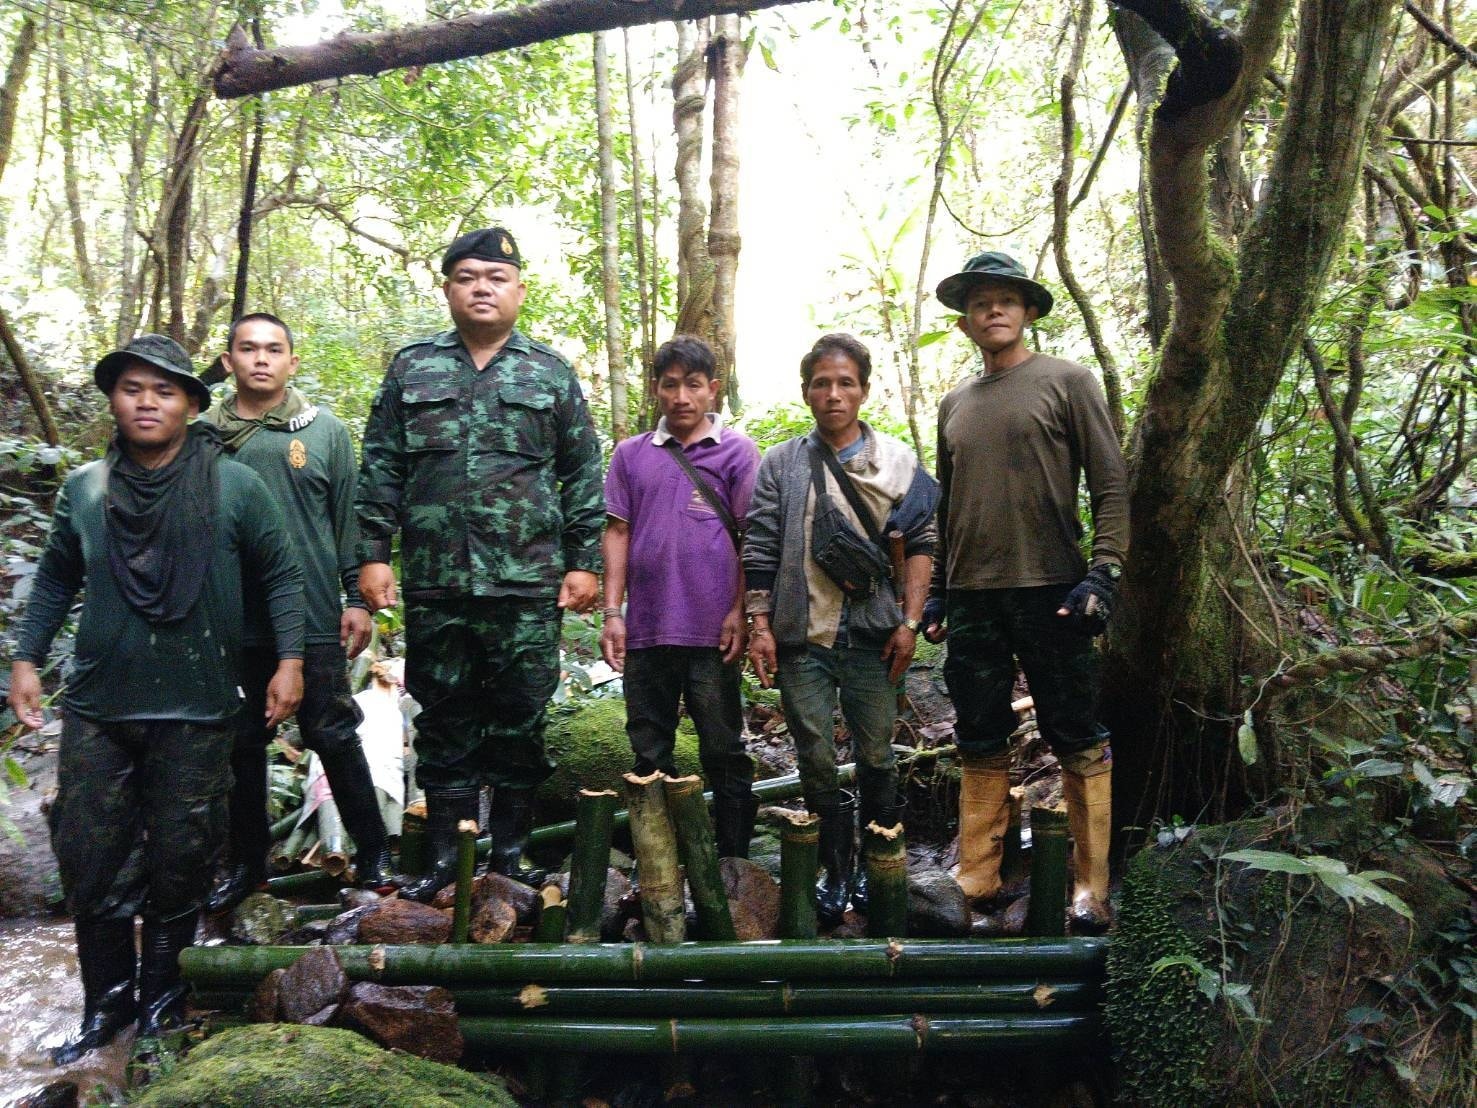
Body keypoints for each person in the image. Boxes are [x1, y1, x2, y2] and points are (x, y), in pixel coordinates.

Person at [7, 335, 304, 1063]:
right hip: (101, 708)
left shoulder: (236, 486)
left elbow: (281, 575)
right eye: (133, 388)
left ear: (191, 406)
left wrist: (290, 661)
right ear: (114, 400)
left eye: (164, 391)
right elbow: (53, 580)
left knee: (181, 858)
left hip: (199, 707)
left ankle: (164, 1002)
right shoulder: (85, 488)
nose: (147, 401)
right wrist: (25, 659)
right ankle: (107, 1006)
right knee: (92, 858)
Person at [355, 226, 603, 900]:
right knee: (442, 716)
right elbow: (380, 465)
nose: (482, 288)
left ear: (518, 289)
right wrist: (372, 555)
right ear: (448, 289)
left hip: (525, 581)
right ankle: (445, 856)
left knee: (520, 714)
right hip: (437, 580)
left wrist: (584, 563)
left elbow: (582, 470)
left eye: (496, 278)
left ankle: (512, 855)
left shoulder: (548, 372)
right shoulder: (413, 368)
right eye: (467, 277)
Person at [928, 251, 1129, 931]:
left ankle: (1089, 883)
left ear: (1028, 312)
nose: (992, 310)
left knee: (1072, 728)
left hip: (1052, 586)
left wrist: (1103, 570)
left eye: (1005, 300)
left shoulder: (1066, 382)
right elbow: (948, 506)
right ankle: (978, 874)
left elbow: (1109, 483)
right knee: (979, 730)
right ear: (964, 322)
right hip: (974, 595)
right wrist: (938, 594)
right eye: (979, 302)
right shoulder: (953, 403)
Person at [200, 313, 391, 913]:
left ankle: (374, 853)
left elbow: (347, 521)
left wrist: (357, 600)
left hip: (311, 613)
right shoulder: (203, 435)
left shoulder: (325, 432)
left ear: (292, 361)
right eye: (248, 349)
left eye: (274, 349)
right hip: (231, 620)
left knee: (332, 731)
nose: (261, 359)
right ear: (228, 361)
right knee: (240, 743)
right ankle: (246, 865)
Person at [744, 333, 937, 926]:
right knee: (815, 755)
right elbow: (759, 544)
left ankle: (881, 860)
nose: (833, 394)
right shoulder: (779, 462)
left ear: (864, 390)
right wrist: (759, 622)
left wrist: (910, 622)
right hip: (803, 633)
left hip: (874, 633)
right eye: (822, 383)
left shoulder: (900, 462)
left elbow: (924, 544)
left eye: (845, 382)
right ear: (806, 391)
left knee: (878, 753)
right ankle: (834, 866)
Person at [600, 335, 760, 857]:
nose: (682, 396)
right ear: (656, 390)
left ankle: (734, 859)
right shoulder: (631, 455)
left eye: (693, 384)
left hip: (711, 628)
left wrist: (740, 610)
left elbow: (750, 536)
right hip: (646, 628)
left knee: (722, 746)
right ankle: (659, 860)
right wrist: (612, 613)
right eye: (671, 385)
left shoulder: (737, 453)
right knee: (649, 747)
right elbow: (618, 532)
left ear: (713, 389)